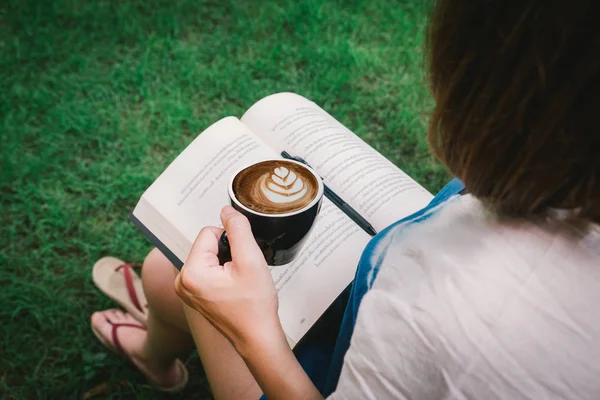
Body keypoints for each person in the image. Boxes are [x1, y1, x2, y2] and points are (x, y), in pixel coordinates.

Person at [91, 0, 600, 398]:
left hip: (332, 371)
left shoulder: (448, 313)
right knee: (167, 273)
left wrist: (254, 333)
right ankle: (156, 351)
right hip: (385, 320)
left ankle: (155, 359)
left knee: (179, 274)